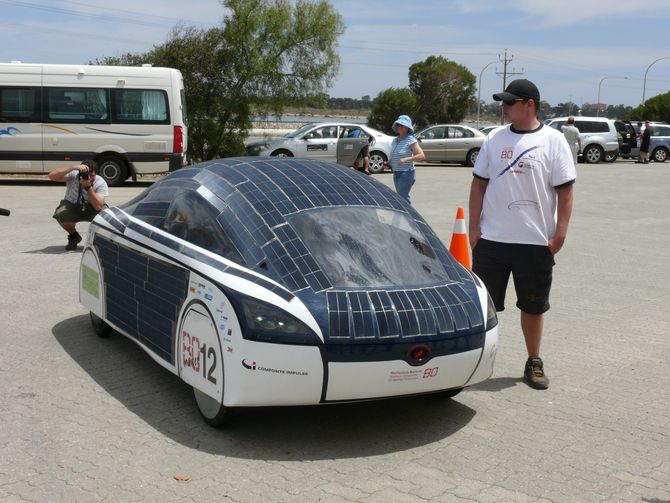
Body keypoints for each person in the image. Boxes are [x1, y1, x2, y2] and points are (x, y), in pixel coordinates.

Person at [468, 79, 576, 390]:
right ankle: (474, 361)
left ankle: (534, 361)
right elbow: (479, 185)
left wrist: (560, 234)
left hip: (534, 242)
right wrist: (475, 228)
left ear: (529, 104)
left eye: (509, 101)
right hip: (492, 241)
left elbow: (565, 192)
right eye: (502, 102)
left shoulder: (553, 141)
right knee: (484, 305)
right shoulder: (494, 139)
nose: (502, 106)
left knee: (533, 307)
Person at [49, 160, 109, 250]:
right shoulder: (73, 175)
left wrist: (88, 187)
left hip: (91, 207)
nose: (89, 178)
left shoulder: (100, 183)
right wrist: (72, 168)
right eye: (86, 175)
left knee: (105, 217)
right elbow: (52, 176)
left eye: (92, 175)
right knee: (61, 214)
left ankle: (98, 240)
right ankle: (74, 236)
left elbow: (98, 206)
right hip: (72, 205)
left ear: (96, 174)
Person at [389, 115, 425, 203]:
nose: (400, 127)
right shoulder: (395, 140)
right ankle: (405, 215)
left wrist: (406, 159)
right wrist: (389, 161)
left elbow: (422, 156)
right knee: (401, 198)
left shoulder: (410, 140)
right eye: (398, 125)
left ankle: (410, 216)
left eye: (402, 125)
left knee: (403, 199)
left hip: (406, 173)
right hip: (396, 173)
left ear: (407, 127)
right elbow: (396, 154)